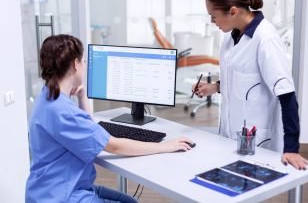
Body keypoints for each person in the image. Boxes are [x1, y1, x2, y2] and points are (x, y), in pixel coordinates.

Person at [25, 34, 194, 203]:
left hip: (47, 191)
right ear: (76, 64)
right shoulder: (64, 112)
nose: (84, 65)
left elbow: (87, 128)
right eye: (83, 61)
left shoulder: (47, 97)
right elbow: (115, 146)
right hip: (64, 196)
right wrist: (166, 146)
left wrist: (83, 97)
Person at [192, 0, 308, 170]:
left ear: (233, 11)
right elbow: (244, 79)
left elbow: (287, 95)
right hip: (228, 136)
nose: (212, 22)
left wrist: (292, 148)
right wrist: (214, 87)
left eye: (213, 16)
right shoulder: (231, 36)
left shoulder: (265, 39)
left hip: (256, 141)